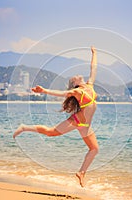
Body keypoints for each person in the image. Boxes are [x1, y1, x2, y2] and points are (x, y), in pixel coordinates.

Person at [13, 46, 98, 187]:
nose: (77, 75)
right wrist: (44, 90)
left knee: (94, 149)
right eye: (74, 78)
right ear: (75, 84)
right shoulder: (77, 92)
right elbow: (61, 93)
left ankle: (81, 173)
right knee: (50, 132)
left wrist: (94, 53)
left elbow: (93, 68)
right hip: (76, 121)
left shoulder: (90, 85)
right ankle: (24, 127)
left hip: (86, 126)